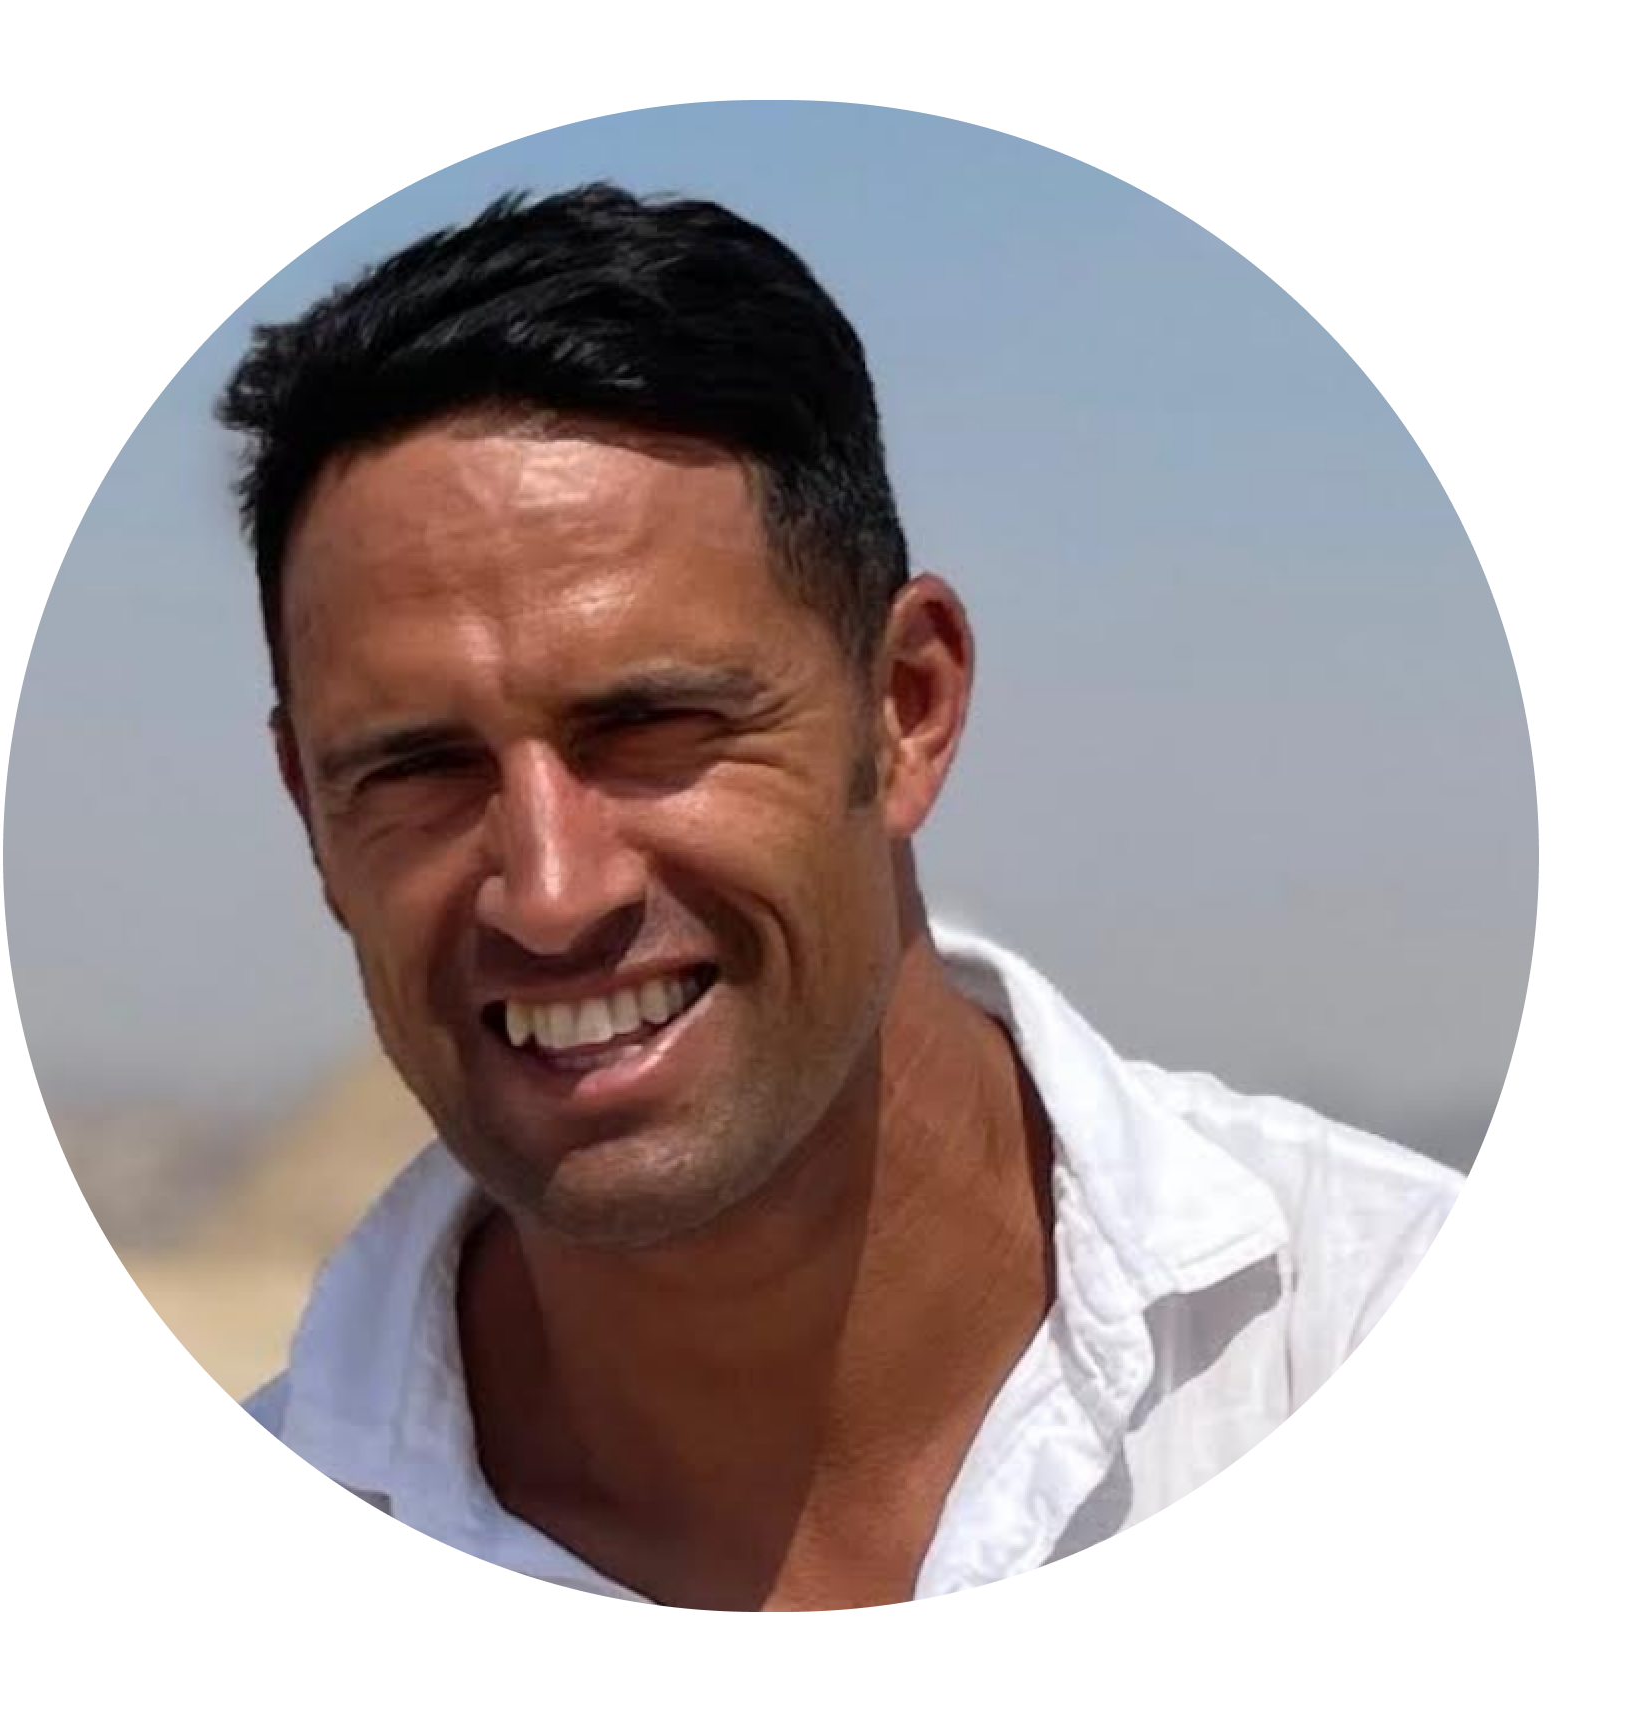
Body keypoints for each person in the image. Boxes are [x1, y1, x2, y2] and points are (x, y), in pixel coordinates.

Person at [219, 184, 1461, 1612]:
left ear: (905, 709)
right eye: (420, 769)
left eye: (654, 729)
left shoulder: (1377, 1348)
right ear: (312, 815)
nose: (551, 895)